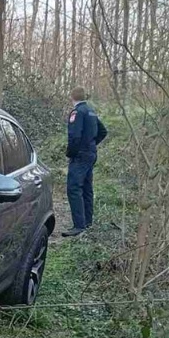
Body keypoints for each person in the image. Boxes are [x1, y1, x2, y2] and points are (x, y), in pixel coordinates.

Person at [62, 87, 107, 237]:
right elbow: (103, 131)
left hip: (80, 156)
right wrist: (92, 144)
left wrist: (71, 153)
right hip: (91, 154)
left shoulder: (77, 112)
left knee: (74, 188)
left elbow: (74, 136)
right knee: (87, 188)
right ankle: (87, 222)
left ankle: (79, 226)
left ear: (72, 97)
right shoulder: (91, 111)